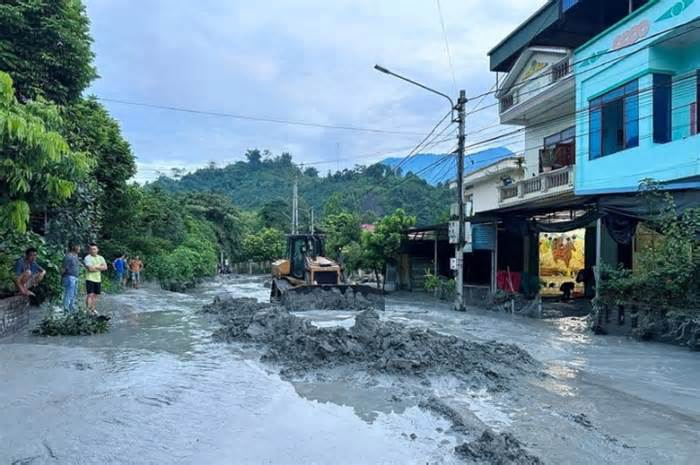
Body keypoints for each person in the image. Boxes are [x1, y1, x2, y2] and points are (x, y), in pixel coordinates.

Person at [84, 243, 107, 314]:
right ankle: (88, 310)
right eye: (91, 249)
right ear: (89, 250)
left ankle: (93, 309)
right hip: (89, 278)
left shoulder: (101, 257)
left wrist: (95, 267)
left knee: (95, 295)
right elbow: (90, 269)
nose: (93, 250)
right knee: (90, 294)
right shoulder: (87, 258)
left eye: (94, 249)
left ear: (97, 250)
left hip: (98, 279)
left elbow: (105, 267)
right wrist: (100, 267)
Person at [61, 244, 81, 312]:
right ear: (73, 247)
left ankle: (71, 309)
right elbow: (63, 269)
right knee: (69, 294)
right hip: (69, 277)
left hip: (75, 277)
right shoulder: (68, 256)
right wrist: (62, 277)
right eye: (78, 246)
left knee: (74, 294)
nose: (79, 248)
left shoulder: (75, 256)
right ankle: (65, 309)